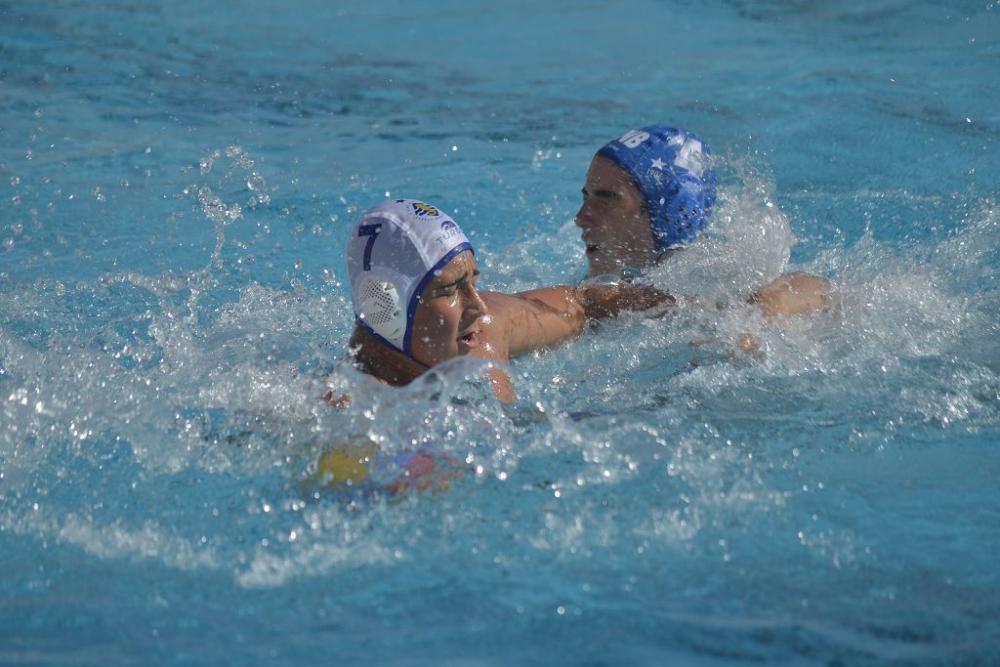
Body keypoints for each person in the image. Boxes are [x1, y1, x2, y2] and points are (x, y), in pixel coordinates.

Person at [317, 198, 669, 493]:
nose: (478, 306)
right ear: (386, 306)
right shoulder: (355, 411)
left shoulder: (482, 332)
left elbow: (585, 302)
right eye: (448, 290)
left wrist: (696, 310)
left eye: (473, 282)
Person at [576, 124, 831, 319]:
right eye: (586, 197)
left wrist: (763, 313)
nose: (581, 217)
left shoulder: (725, 283)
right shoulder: (609, 293)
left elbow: (822, 291)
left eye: (606, 199)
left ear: (665, 213)